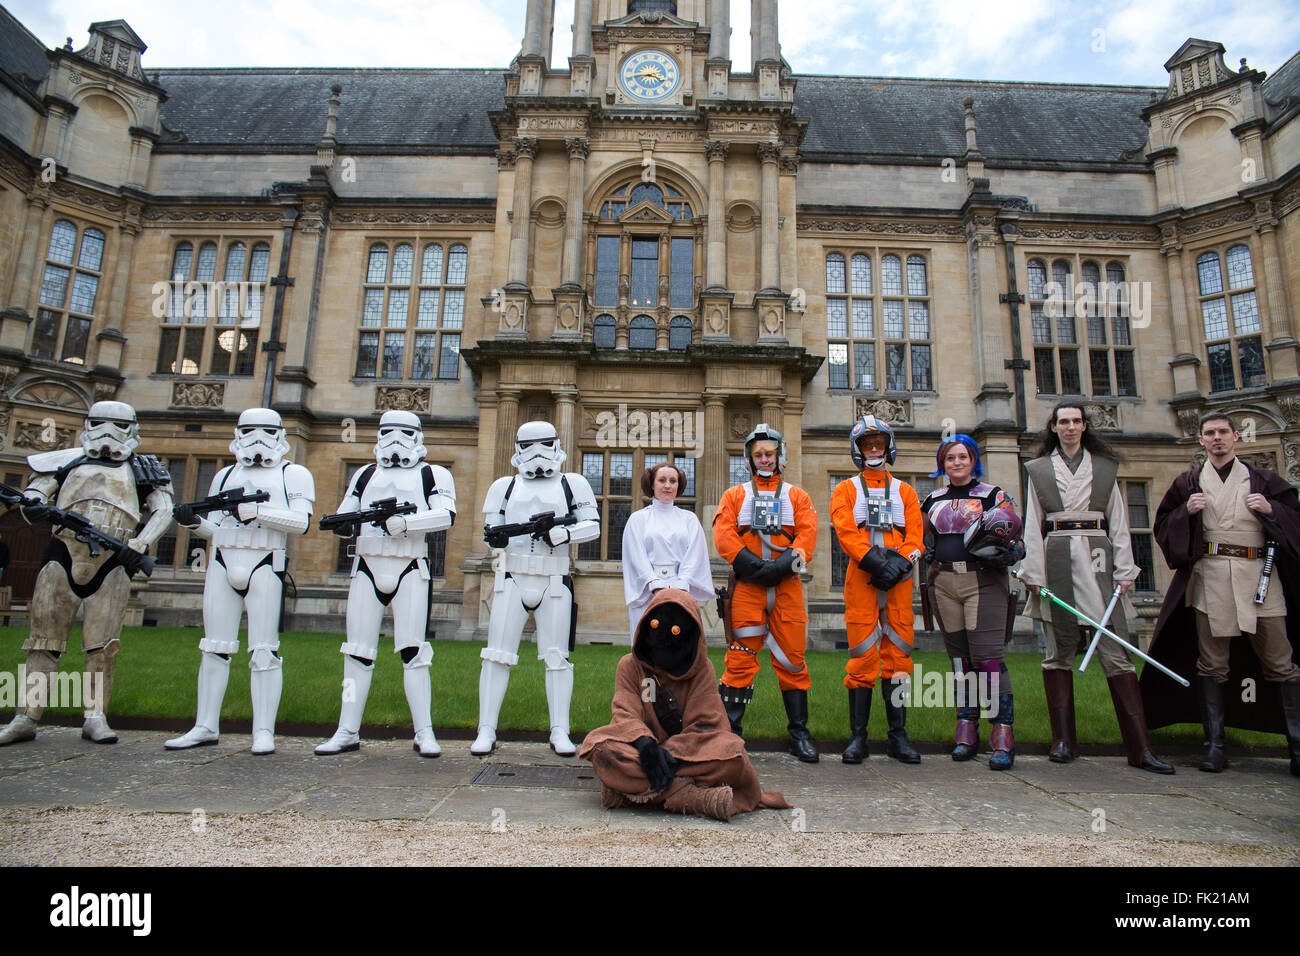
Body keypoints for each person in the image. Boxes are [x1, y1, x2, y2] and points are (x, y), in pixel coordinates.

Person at [0, 402, 173, 746]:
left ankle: (95, 717)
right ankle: (25, 716)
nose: (108, 432)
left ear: (133, 430)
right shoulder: (65, 460)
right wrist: (34, 500)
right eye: (100, 423)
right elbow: (36, 494)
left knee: (103, 647)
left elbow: (164, 509)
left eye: (118, 425)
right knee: (43, 643)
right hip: (62, 553)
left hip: (113, 560)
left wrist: (140, 542)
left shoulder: (143, 468)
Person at [1141, 412, 1300, 775]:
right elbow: (1163, 526)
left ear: (1235, 437)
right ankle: (1214, 746)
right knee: (1212, 664)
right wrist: (1185, 511)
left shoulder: (1264, 481)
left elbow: (1296, 523)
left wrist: (1272, 510)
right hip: (1210, 576)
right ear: (1201, 440)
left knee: (1281, 662)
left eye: (1223, 433)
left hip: (1260, 577)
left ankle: (1297, 745)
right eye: (1209, 433)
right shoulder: (1189, 482)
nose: (1217, 439)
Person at [1021, 402, 1174, 774]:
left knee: (1117, 655)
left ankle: (1140, 749)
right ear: (1053, 428)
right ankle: (1062, 742)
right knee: (1057, 654)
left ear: (1084, 426)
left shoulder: (1104, 468)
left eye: (1076, 421)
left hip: (1099, 561)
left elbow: (1118, 523)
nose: (1070, 427)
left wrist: (1125, 570)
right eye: (1063, 422)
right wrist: (1034, 574)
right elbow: (1032, 524)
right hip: (1056, 558)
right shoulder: (1039, 470)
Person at [165, 408, 313, 755]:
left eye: (265, 431)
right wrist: (193, 524)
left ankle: (263, 729)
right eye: (249, 430)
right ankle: (205, 724)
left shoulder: (294, 474)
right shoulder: (225, 475)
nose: (256, 438)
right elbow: (215, 528)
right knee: (214, 646)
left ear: (279, 434)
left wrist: (259, 512)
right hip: (222, 561)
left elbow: (302, 523)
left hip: (265, 561)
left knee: (264, 649)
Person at [579, 588, 791, 821]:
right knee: (602, 749)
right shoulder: (630, 666)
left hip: (688, 755)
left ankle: (630, 790)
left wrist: (670, 754)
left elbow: (705, 726)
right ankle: (691, 797)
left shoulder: (702, 670)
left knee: (733, 755)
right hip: (646, 754)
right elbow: (625, 715)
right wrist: (647, 747)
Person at [315, 411, 455, 758]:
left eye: (403, 433)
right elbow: (345, 513)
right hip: (367, 567)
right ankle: (347, 728)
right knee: (356, 653)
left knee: (415, 652)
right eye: (387, 433)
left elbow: (447, 514)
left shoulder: (432, 473)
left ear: (417, 436)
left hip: (409, 566)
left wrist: (405, 523)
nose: (395, 441)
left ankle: (424, 730)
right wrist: (344, 525)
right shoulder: (365, 474)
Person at [473, 421, 600, 756]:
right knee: (497, 655)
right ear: (517, 448)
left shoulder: (573, 484)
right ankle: (486, 729)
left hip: (555, 578)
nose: (538, 454)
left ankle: (560, 730)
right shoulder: (504, 486)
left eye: (545, 444)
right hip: (513, 576)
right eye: (530, 446)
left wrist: (563, 534)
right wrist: (498, 538)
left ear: (557, 445)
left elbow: (593, 526)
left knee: (558, 657)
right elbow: (492, 530)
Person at [713, 423, 819, 762]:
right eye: (758, 454)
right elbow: (723, 533)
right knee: (740, 658)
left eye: (769, 454)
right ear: (749, 459)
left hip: (786, 585)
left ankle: (799, 734)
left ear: (780, 457)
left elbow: (807, 534)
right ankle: (731, 734)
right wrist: (751, 565)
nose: (764, 459)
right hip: (748, 586)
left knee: (793, 660)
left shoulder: (797, 497)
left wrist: (783, 565)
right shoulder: (734, 496)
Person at [918, 434, 1024, 770]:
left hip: (983, 581)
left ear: (973, 459)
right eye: (950, 458)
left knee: (988, 658)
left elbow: (1015, 539)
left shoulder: (993, 496)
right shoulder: (931, 500)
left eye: (963, 457)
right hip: (944, 581)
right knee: (961, 661)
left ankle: (1002, 732)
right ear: (942, 464)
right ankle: (966, 728)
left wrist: (1008, 552)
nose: (957, 463)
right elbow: (921, 539)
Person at [829, 416, 924, 764]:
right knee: (863, 655)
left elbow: (916, 536)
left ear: (888, 446)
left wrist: (900, 564)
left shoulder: (906, 491)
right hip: (862, 578)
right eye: (867, 444)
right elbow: (844, 531)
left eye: (878, 443)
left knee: (898, 656)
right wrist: (875, 562)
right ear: (857, 450)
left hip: (898, 579)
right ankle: (858, 738)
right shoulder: (845, 490)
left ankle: (898, 737)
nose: (873, 449)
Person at [620, 461, 713, 642]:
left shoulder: (689, 519)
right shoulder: (638, 519)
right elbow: (635, 556)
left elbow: (695, 554)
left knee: (678, 646)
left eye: (673, 481)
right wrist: (654, 584)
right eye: (662, 480)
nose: (668, 485)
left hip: (681, 591)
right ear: (652, 484)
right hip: (648, 593)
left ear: (679, 485)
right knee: (647, 644)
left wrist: (682, 583)